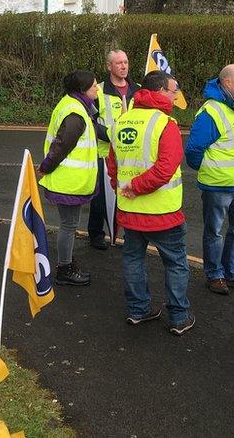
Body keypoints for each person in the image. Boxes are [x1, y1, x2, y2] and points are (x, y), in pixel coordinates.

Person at [107, 71, 194, 335]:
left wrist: (126, 188)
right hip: (162, 212)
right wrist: (135, 186)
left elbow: (113, 166)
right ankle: (179, 317)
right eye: (172, 90)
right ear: (158, 92)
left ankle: (138, 310)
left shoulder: (121, 122)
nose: (175, 95)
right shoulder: (165, 124)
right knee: (176, 262)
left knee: (133, 258)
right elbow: (165, 169)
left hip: (130, 210)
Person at [185, 64, 234, 295]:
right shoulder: (211, 112)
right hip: (217, 186)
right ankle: (215, 274)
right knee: (214, 231)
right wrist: (209, 170)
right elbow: (194, 150)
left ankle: (233, 272)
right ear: (227, 83)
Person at [38, 70, 108, 286]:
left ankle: (66, 263)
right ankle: (64, 268)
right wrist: (45, 167)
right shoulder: (75, 113)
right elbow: (61, 146)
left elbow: (94, 128)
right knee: (68, 225)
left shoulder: (74, 105)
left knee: (69, 224)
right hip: (68, 181)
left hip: (68, 180)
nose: (98, 89)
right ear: (82, 90)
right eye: (94, 86)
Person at [88, 49, 138, 250]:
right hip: (104, 153)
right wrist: (110, 134)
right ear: (109, 66)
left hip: (131, 154)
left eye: (126, 62)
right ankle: (96, 234)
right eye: (118, 63)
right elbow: (90, 121)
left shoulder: (138, 90)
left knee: (129, 194)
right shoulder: (98, 91)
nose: (124, 66)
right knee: (100, 199)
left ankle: (127, 233)